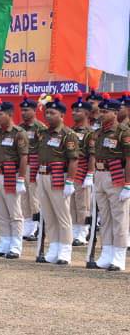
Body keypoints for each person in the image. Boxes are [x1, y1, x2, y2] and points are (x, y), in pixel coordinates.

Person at [35, 97, 80, 265]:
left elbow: (74, 159)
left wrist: (70, 181)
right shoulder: (43, 133)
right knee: (49, 214)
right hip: (43, 175)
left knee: (62, 215)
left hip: (58, 177)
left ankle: (65, 250)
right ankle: (53, 247)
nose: (48, 115)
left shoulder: (68, 135)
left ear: (62, 115)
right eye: (47, 112)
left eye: (52, 113)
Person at [87, 96, 130, 271]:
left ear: (114, 112)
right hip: (100, 174)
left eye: (106, 112)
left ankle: (119, 255)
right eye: (101, 111)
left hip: (116, 175)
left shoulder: (123, 132)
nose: (102, 114)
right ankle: (107, 252)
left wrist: (128, 184)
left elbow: (129, 159)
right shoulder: (98, 133)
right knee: (105, 217)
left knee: (119, 217)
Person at [0, 100, 28, 259]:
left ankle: (16, 245)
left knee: (14, 212)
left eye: (0, 114)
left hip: (11, 175)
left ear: (9, 115)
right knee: (1, 212)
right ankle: (4, 242)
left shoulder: (18, 133)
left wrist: (21, 179)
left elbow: (24, 157)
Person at [69, 98, 95, 246]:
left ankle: (82, 233)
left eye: (78, 110)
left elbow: (92, 154)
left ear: (86, 113)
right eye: (73, 110)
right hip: (71, 172)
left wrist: (90, 174)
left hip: (83, 171)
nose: (74, 113)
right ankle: (74, 231)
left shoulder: (90, 133)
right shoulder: (71, 130)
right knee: (71, 204)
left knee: (82, 204)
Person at [17, 97, 44, 240]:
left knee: (35, 197)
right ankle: (27, 226)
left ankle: (36, 227)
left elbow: (43, 150)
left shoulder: (40, 128)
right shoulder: (19, 128)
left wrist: (40, 169)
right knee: (23, 198)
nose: (24, 112)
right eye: (22, 110)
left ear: (34, 111)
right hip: (22, 166)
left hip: (34, 166)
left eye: (27, 110)